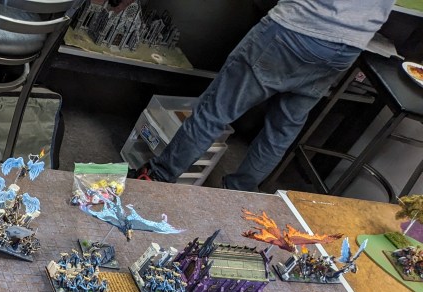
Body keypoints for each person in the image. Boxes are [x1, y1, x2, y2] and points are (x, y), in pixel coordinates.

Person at [144, 0, 396, 192]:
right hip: (348, 47)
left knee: (215, 111)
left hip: (299, 26)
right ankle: (237, 193)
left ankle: (157, 178)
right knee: (281, 130)